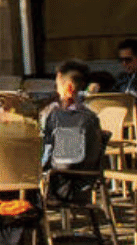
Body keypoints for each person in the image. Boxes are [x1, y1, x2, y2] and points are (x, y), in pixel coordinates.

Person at [39, 61, 106, 205]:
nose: (57, 91)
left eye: (58, 86)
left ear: (68, 88)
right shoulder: (87, 116)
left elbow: (65, 162)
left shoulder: (73, 119)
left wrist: (39, 166)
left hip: (67, 187)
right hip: (79, 183)